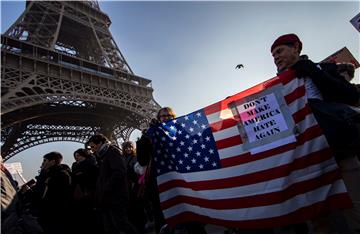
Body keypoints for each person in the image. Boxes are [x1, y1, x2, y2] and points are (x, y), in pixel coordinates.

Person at [270, 33, 360, 232]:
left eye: (279, 51)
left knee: (356, 212)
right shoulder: (276, 87)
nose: (276, 57)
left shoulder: (322, 69)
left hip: (339, 150)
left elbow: (350, 95)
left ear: (295, 48)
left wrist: (312, 71)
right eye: (273, 55)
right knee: (319, 221)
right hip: (307, 159)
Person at [137, 107, 207, 234]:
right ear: (158, 119)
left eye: (170, 116)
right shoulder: (152, 135)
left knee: (191, 217)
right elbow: (142, 160)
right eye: (163, 116)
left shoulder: (183, 132)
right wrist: (146, 136)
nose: (166, 118)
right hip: (162, 181)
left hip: (184, 179)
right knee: (166, 219)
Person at [86, 134, 138, 234]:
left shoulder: (112, 152)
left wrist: (105, 188)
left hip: (115, 196)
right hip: (108, 197)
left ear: (100, 143)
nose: (92, 149)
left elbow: (119, 172)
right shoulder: (102, 155)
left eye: (93, 146)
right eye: (90, 147)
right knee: (112, 226)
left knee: (121, 225)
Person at [30, 151, 73, 234]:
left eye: (45, 160)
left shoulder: (56, 175)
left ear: (52, 161)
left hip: (53, 215)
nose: (42, 163)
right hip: (54, 214)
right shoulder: (59, 174)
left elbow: (43, 195)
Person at [71, 148, 100, 234]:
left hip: (90, 191)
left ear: (83, 155)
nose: (76, 158)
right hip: (81, 192)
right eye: (75, 156)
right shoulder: (75, 165)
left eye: (78, 156)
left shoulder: (91, 164)